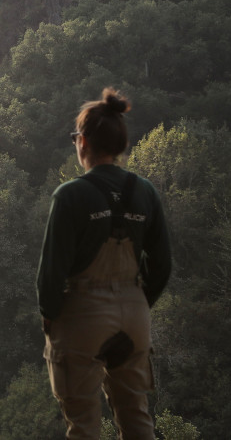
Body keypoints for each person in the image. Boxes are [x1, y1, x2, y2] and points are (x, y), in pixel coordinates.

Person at [37, 88, 172, 439]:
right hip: (133, 315)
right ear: (121, 145)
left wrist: (50, 315)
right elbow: (162, 264)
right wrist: (138, 300)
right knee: (137, 417)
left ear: (82, 142)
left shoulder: (70, 195)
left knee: (83, 425)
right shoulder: (145, 192)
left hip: (83, 314)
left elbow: (51, 271)